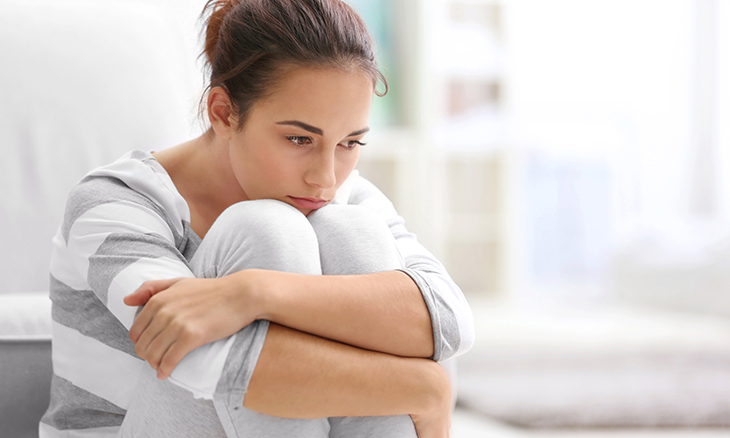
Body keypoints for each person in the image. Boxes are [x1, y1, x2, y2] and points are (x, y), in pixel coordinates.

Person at [40, 0, 474, 437]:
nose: (324, 177)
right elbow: (210, 364)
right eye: (299, 138)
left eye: (350, 143)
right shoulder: (116, 202)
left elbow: (447, 320)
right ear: (223, 113)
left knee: (351, 231)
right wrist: (424, 389)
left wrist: (253, 293)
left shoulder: (343, 196)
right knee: (266, 229)